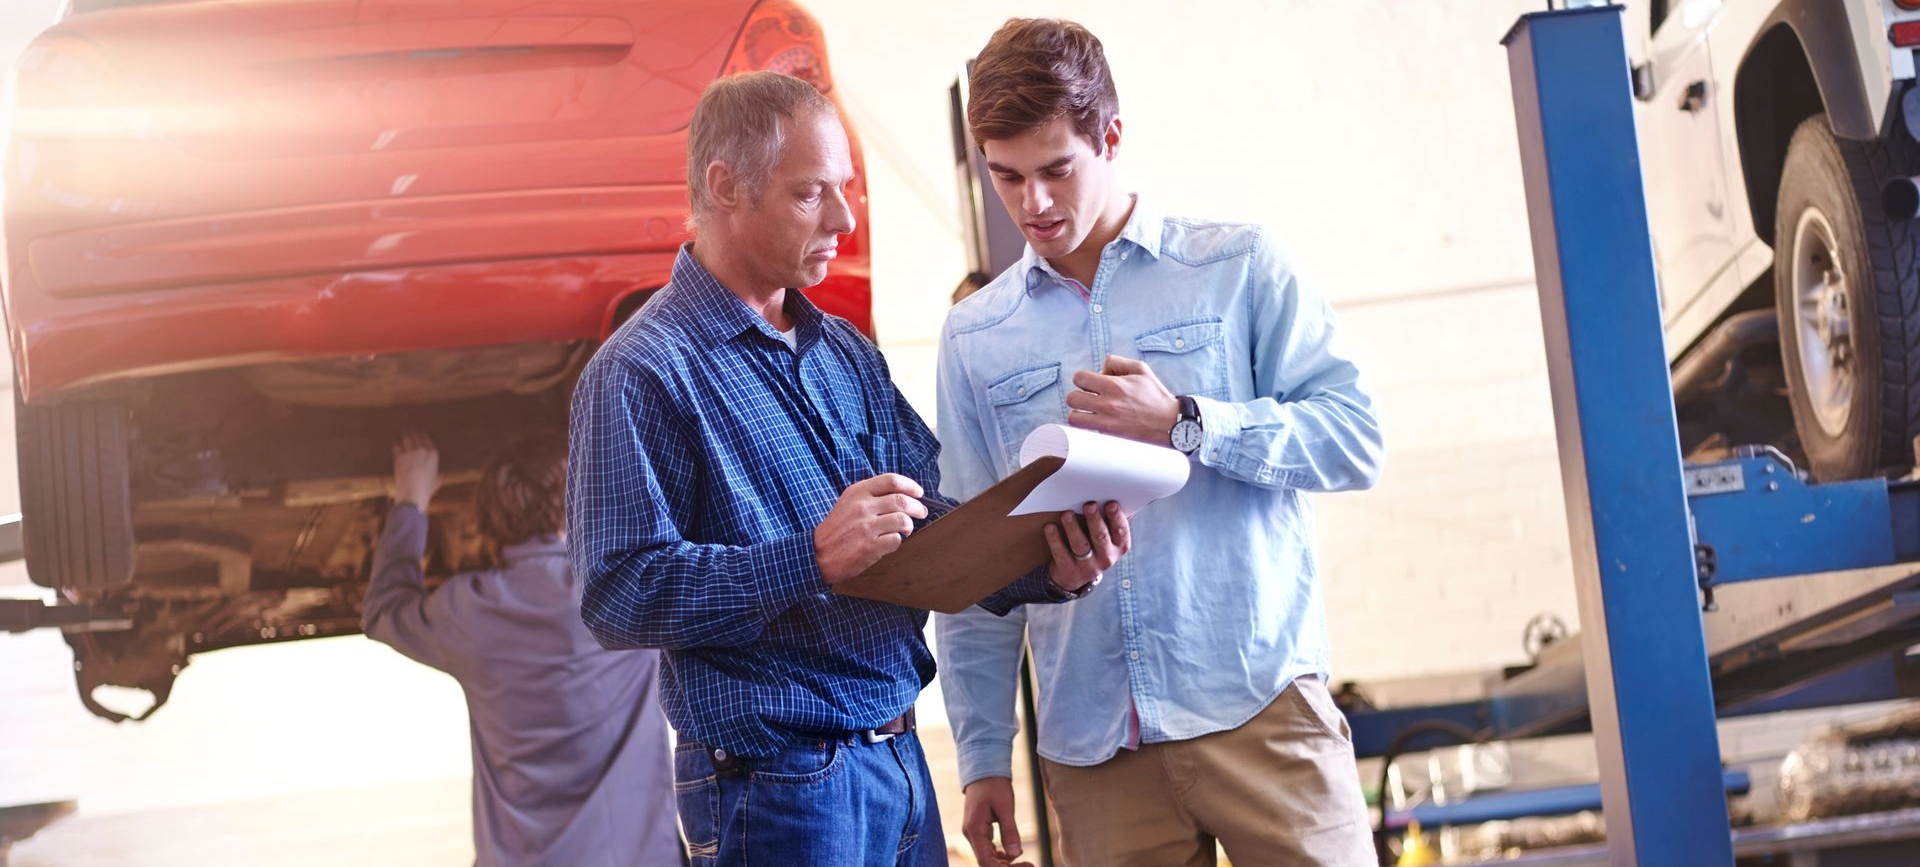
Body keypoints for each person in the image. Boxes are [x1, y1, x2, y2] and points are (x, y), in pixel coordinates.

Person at [565, 71, 1129, 867]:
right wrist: (810, 559)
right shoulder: (641, 373)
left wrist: (1055, 563)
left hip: (896, 761)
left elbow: (931, 534)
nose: (844, 216)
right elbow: (615, 594)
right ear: (725, 186)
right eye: (810, 193)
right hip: (774, 783)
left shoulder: (845, 354)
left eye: (847, 189)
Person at [935, 18, 1386, 867]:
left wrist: (1188, 419)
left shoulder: (1237, 267)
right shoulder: (973, 337)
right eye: (1008, 177)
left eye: (1056, 170)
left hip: (1261, 711)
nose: (1032, 203)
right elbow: (969, 566)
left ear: (1110, 136)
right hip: (1095, 747)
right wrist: (983, 756)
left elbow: (1356, 438)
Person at [363, 430, 683, 867]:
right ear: (570, 508)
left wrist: (410, 500)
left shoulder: (468, 612)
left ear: (491, 521)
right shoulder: (621, 592)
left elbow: (384, 610)